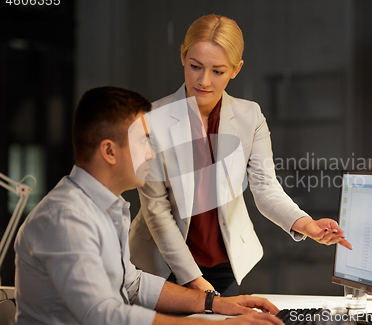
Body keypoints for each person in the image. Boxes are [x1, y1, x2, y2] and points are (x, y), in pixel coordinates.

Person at [14, 86, 282, 325]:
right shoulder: (66, 218)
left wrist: (214, 302)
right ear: (109, 151)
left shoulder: (107, 207)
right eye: (144, 141)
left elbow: (132, 284)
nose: (152, 153)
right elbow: (102, 314)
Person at [129, 14, 352, 297]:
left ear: (236, 69)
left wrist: (306, 224)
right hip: (160, 263)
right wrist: (194, 281)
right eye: (196, 66)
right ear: (183, 56)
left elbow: (265, 187)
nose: (204, 81)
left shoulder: (250, 116)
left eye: (218, 71)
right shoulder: (152, 120)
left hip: (223, 261)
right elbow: (156, 211)